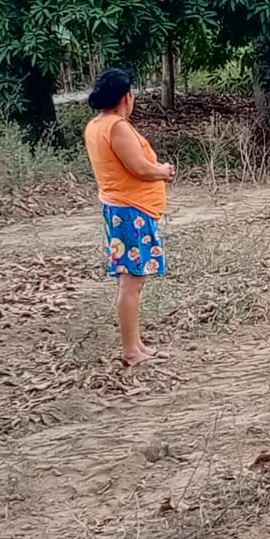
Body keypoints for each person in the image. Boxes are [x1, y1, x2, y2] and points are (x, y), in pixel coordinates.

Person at [83, 68, 176, 366]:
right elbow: (140, 168)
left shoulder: (96, 125)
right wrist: (163, 171)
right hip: (130, 210)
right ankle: (131, 351)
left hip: (122, 208)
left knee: (130, 280)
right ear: (127, 96)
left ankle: (136, 344)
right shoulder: (117, 126)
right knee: (132, 281)